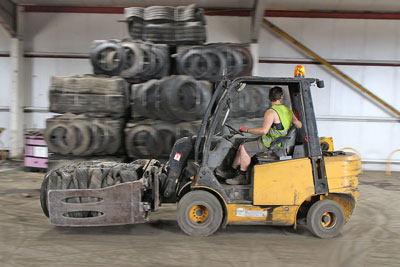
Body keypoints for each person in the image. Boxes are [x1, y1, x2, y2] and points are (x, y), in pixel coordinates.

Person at [220, 86, 302, 185]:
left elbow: (264, 131)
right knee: (241, 145)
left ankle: (242, 176)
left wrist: (247, 130)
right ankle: (232, 171)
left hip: (271, 144)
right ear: (281, 97)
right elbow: (299, 124)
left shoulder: (271, 112)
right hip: (279, 141)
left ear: (269, 97)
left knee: (244, 148)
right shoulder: (288, 111)